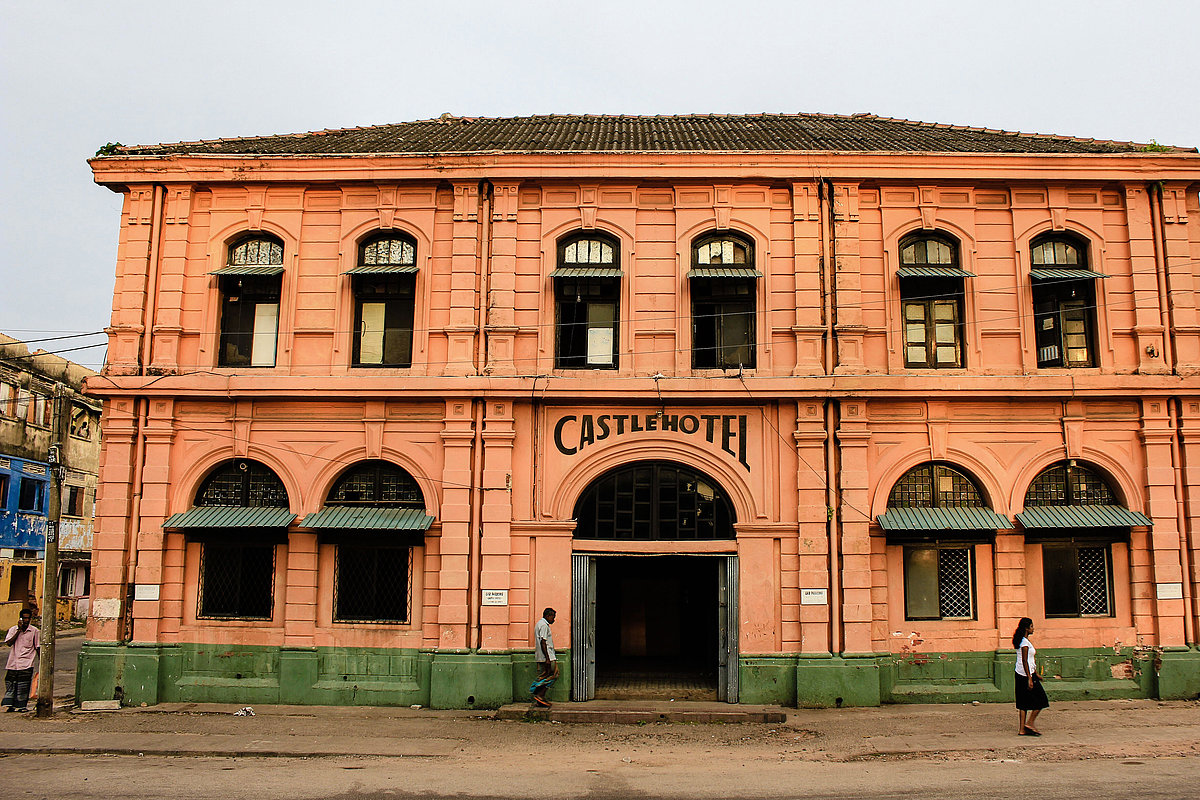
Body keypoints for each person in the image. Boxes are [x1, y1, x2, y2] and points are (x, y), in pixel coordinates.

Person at [1013, 617, 1048, 735]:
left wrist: (1036, 674)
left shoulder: (1024, 641)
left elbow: (1030, 659)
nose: (1033, 628)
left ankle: (1022, 729)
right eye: (1032, 626)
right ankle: (1030, 723)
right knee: (1042, 699)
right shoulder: (1024, 643)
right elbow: (1024, 660)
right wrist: (1030, 678)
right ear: (1027, 628)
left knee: (1023, 703)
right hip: (1024, 675)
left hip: (1022, 673)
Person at [4, 608, 40, 712]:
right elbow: (9, 643)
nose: (26, 620)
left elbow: (37, 647)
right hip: (13, 663)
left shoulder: (34, 631)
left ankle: (21, 706)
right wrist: (18, 630)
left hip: (26, 663)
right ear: (20, 618)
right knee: (11, 683)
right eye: (24, 618)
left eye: (28, 618)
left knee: (23, 685)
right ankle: (11, 705)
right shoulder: (13, 629)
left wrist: (41, 661)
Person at [530, 607, 557, 708]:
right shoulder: (544, 625)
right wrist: (548, 658)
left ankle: (539, 696)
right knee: (553, 675)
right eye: (553, 617)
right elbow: (543, 642)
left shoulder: (539, 624)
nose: (553, 620)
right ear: (548, 616)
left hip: (543, 656)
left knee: (545, 675)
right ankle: (540, 694)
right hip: (547, 655)